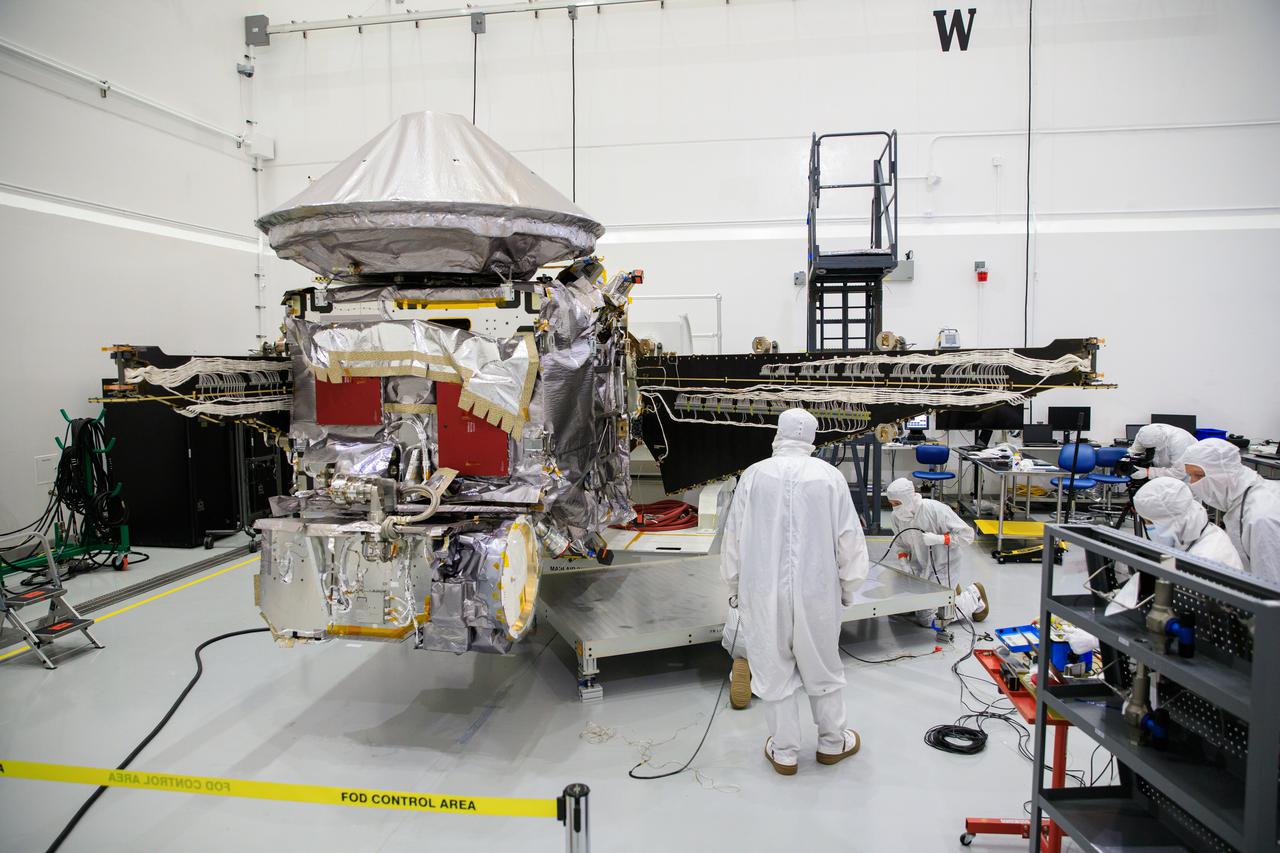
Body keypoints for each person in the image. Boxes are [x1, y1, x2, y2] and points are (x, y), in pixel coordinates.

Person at [721, 408, 868, 775]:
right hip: (818, 591)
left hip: (763, 592)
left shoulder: (753, 476)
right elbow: (849, 540)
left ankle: (785, 752)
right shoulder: (830, 477)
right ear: (811, 438)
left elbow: (734, 538)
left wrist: (735, 586)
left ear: (778, 434)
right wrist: (848, 589)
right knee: (822, 664)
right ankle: (833, 743)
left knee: (772, 667)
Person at [884, 478, 989, 625]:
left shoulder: (934, 509)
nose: (894, 508)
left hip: (943, 565)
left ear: (908, 498)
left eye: (897, 504)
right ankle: (950, 592)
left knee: (927, 618)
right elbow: (901, 544)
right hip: (919, 566)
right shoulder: (896, 517)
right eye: (891, 504)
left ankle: (974, 597)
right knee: (901, 607)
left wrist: (939, 539)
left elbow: (967, 535)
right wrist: (904, 563)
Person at [1180, 439, 1280, 583]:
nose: (1193, 483)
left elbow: (1271, 586)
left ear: (1223, 473)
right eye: (1190, 475)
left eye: (1199, 475)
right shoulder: (1243, 496)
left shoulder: (1259, 518)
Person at [1132, 476, 1244, 569]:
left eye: (1149, 522)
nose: (1147, 527)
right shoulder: (1187, 535)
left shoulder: (1205, 560)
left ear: (1169, 522)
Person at [1129, 423, 1196, 481]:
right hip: (1161, 471)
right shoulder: (1145, 432)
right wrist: (1128, 458)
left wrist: (1148, 472)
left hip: (1185, 476)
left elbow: (1179, 473)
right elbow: (1135, 450)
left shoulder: (1179, 441)